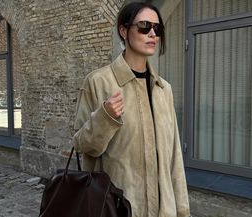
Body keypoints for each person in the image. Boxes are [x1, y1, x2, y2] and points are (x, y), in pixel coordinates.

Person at [73, 2, 190, 217]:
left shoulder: (164, 89)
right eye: (144, 26)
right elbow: (82, 146)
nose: (152, 34)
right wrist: (104, 118)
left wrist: (182, 211)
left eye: (157, 28)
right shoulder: (98, 82)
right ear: (124, 31)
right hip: (116, 207)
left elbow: (175, 160)